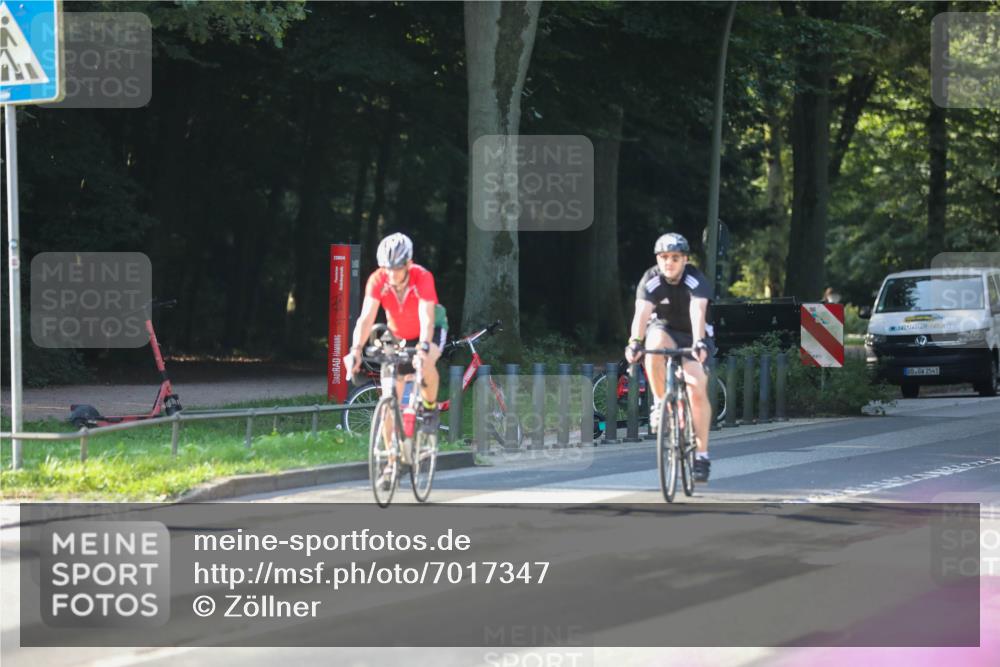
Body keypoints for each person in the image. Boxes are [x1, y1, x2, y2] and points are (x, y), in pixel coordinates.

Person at [624, 233, 715, 483]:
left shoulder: (695, 279)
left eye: (675, 258)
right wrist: (634, 342)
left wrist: (698, 342)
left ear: (685, 259)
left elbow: (698, 311)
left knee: (697, 387)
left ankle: (702, 455)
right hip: (664, 330)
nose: (669, 263)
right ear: (658, 259)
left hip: (694, 336)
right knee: (652, 346)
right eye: (664, 258)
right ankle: (660, 403)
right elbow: (641, 314)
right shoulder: (651, 280)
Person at [345, 233, 446, 435]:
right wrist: (355, 350)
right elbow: (366, 319)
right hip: (398, 333)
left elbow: (426, 317)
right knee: (390, 398)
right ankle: (390, 462)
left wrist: (423, 347)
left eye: (397, 268)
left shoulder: (422, 277)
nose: (392, 274)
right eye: (387, 268)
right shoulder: (377, 279)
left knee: (425, 362)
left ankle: (429, 408)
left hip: (430, 328)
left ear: (409, 263)